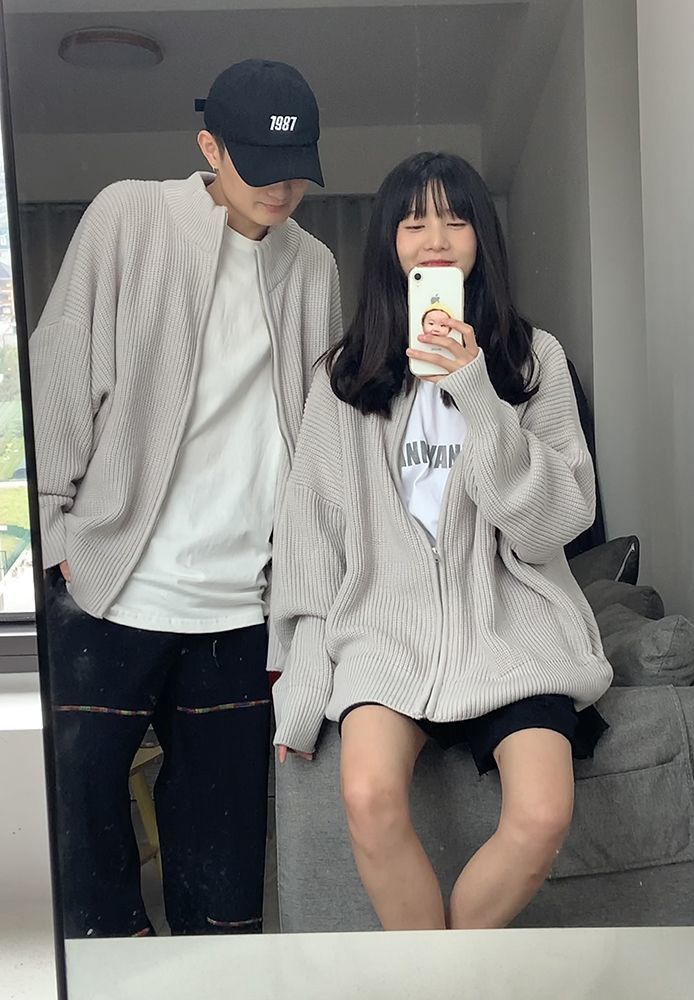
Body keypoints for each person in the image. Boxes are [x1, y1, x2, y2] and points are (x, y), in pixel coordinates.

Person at [30, 58, 341, 938]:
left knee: (224, 861)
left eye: (296, 170)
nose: (281, 189)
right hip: (110, 588)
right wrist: (53, 530)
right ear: (209, 147)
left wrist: (306, 583)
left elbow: (319, 429)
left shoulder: (313, 266)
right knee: (78, 837)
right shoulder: (128, 216)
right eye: (258, 165)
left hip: (241, 607)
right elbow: (60, 373)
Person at [271, 151, 612, 931]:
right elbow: (312, 536)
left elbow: (558, 520)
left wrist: (474, 389)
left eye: (455, 221)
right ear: (388, 242)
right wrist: (303, 681)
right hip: (385, 633)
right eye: (414, 222)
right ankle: (444, 978)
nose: (435, 240)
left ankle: (441, 973)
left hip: (511, 628)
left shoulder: (533, 359)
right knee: (367, 795)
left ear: (481, 237)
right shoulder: (343, 377)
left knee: (542, 815)